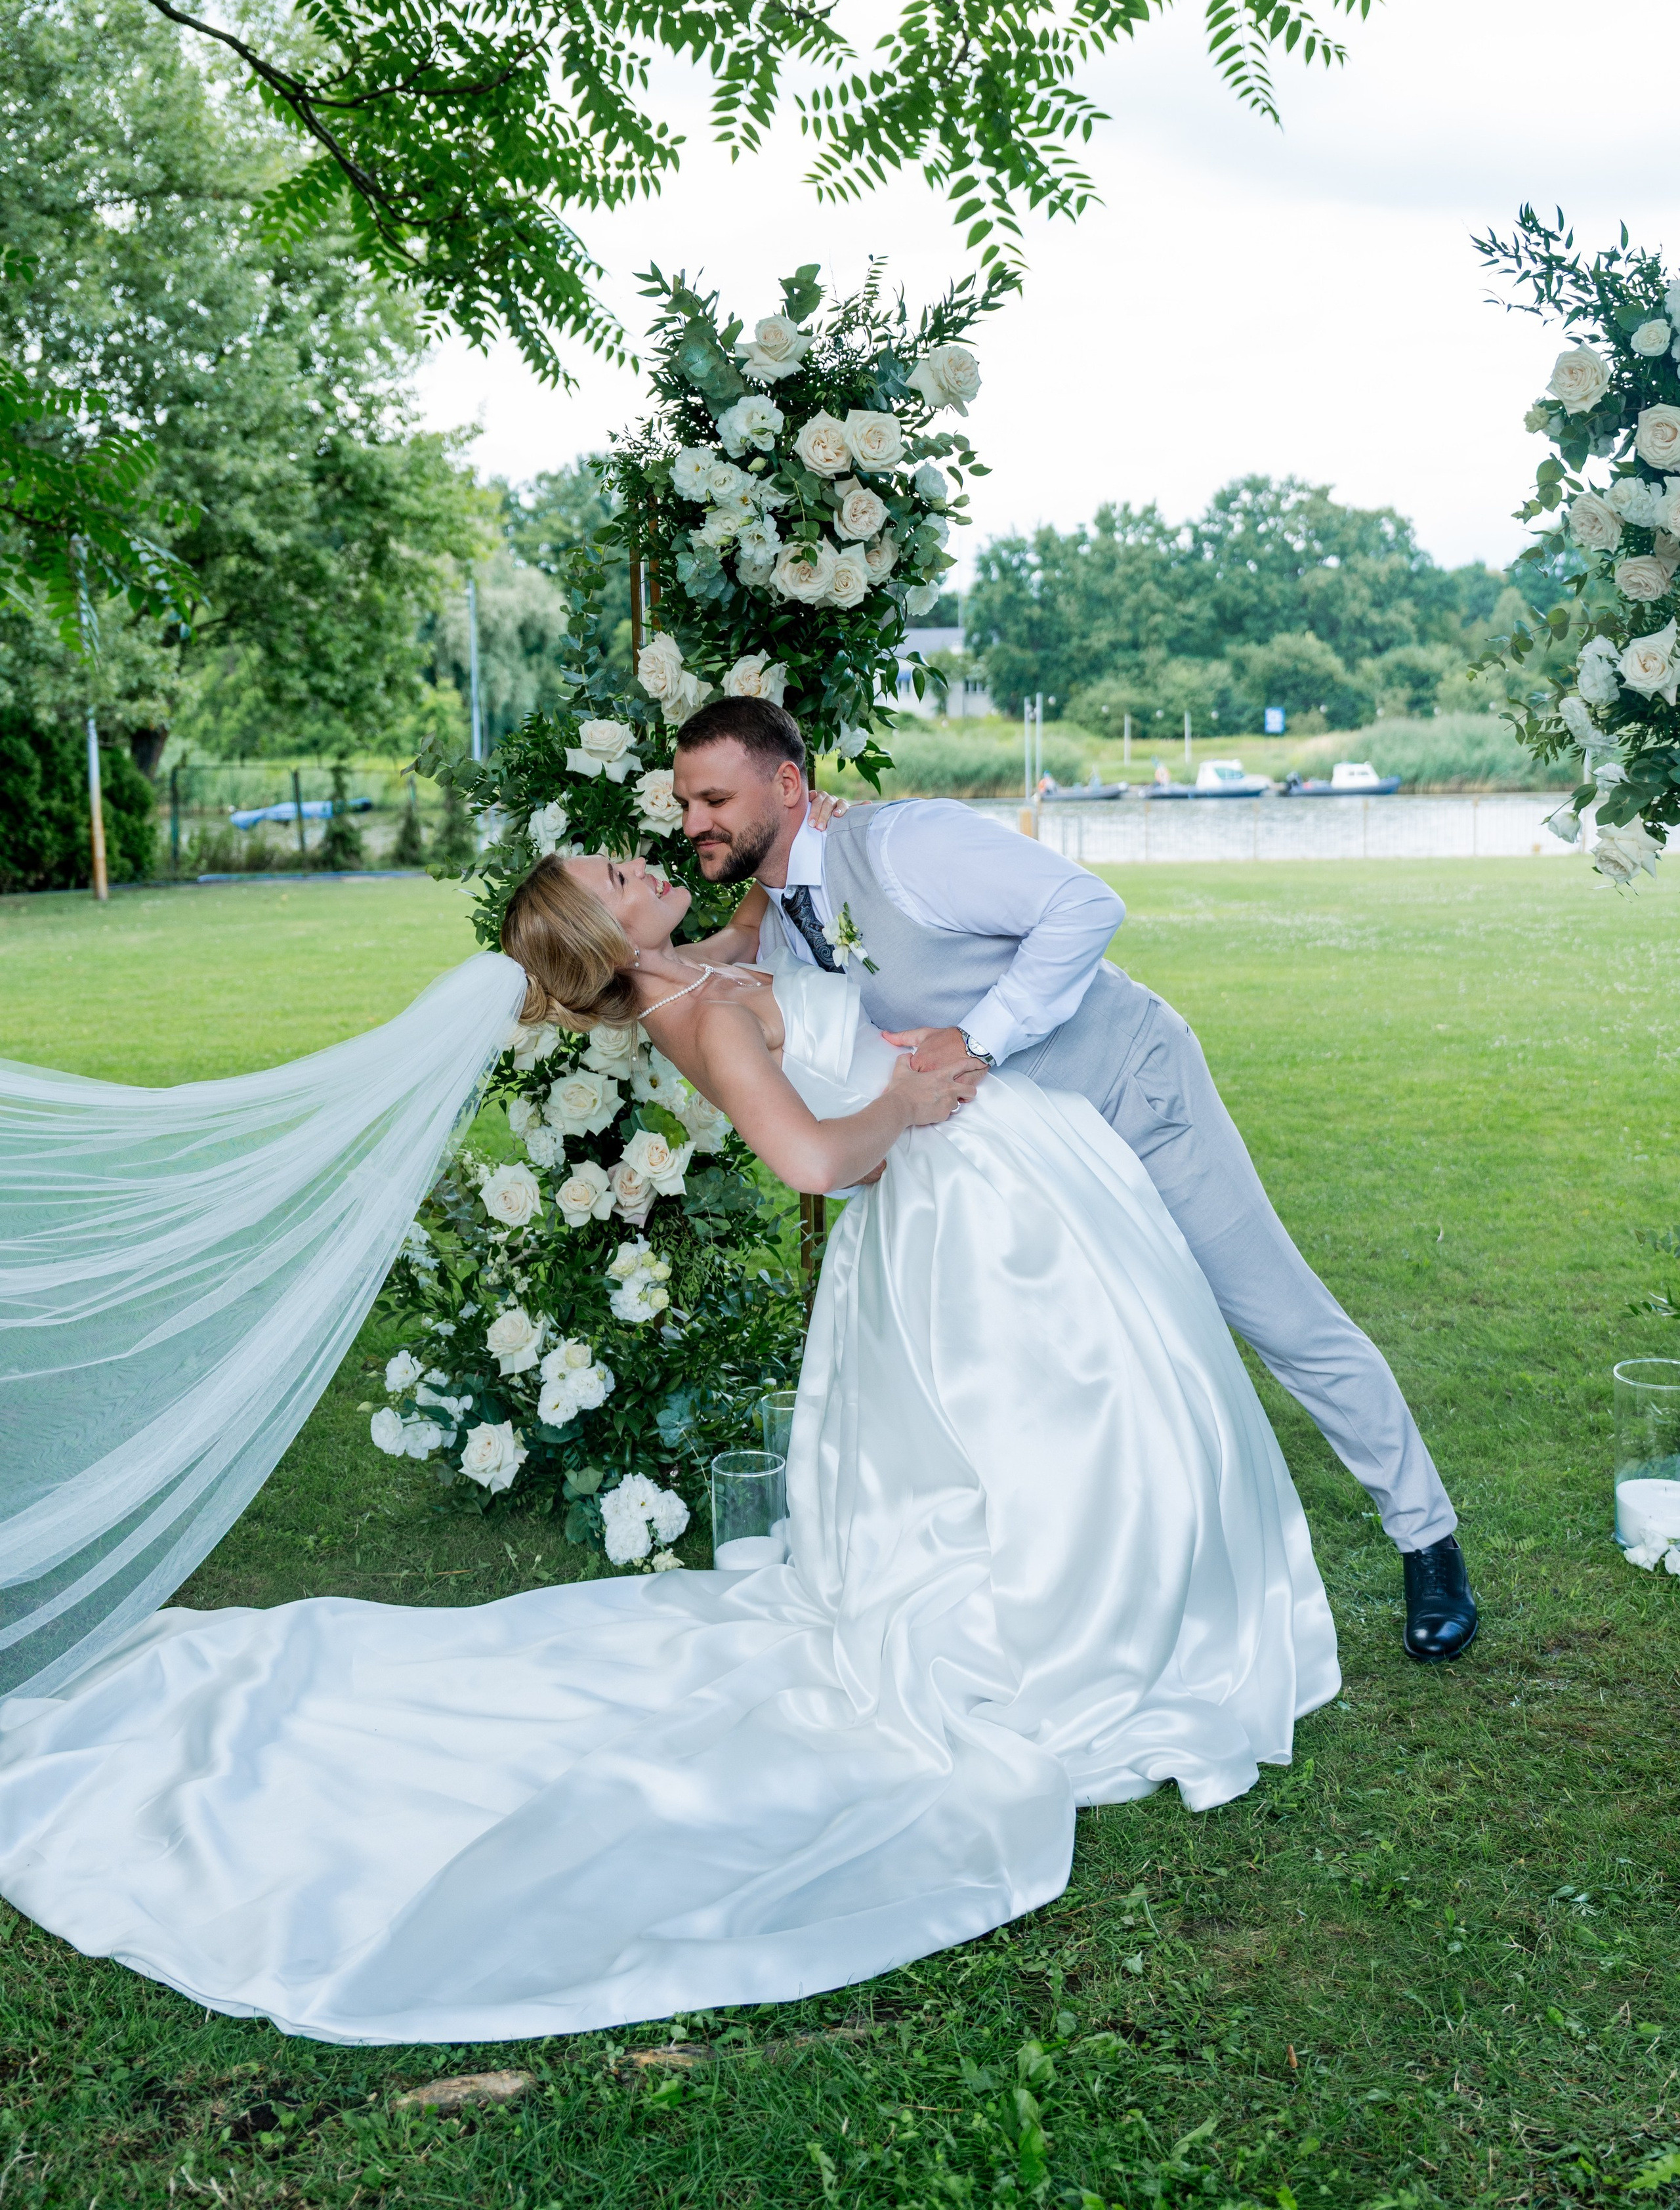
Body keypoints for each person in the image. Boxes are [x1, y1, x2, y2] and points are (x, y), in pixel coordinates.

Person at [0, 846, 1339, 2045]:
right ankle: (1108, 1639)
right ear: (616, 931)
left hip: (992, 1189)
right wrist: (913, 1103)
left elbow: (759, 927)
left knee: (1059, 1442)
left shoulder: (683, 978)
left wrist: (774, 859)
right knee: (1067, 1436)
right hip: (966, 1201)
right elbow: (814, 1161)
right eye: (616, 868)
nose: (640, 853)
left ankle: (1132, 1615)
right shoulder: (693, 1009)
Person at [669, 694, 1476, 1663]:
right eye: (686, 804)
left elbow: (1086, 905)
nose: (693, 823)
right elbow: (741, 967)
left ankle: (1427, 1538)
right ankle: (1097, 1609)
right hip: (1033, 1167)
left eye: (714, 798)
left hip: (1134, 1097)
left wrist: (979, 1037)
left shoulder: (909, 845)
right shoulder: (788, 914)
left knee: (1276, 1313)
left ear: (789, 786)